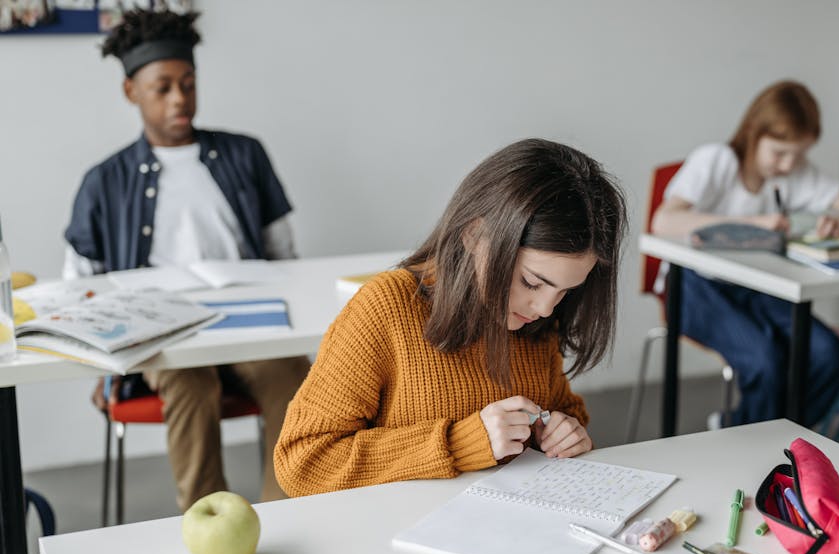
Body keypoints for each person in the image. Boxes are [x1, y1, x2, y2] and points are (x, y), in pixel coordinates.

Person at [275, 138, 627, 496]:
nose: (546, 308)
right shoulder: (387, 306)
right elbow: (303, 463)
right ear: (476, 236)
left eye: (565, 291)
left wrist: (564, 433)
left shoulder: (534, 318)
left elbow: (559, 410)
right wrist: (462, 443)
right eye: (531, 282)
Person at [62, 8, 310, 510]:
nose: (180, 98)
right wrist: (100, 370)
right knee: (190, 384)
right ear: (132, 91)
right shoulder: (103, 181)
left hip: (247, 323)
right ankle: (208, 521)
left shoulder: (246, 154)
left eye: (189, 84)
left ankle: (288, 511)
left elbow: (285, 257)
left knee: (291, 379)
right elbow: (78, 286)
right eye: (163, 87)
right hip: (160, 334)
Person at [651, 79, 839, 427]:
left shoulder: (795, 174)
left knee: (827, 353)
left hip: (755, 285)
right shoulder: (717, 160)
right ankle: (750, 438)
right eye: (780, 152)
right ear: (754, 132)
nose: (788, 165)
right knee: (764, 361)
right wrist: (751, 223)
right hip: (694, 286)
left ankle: (767, 433)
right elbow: (664, 220)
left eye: (798, 154)